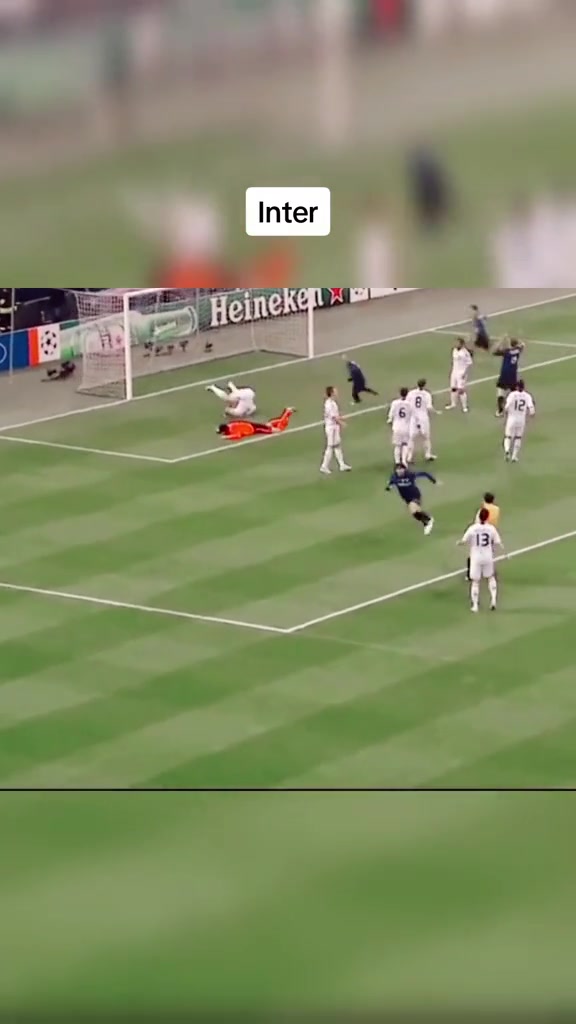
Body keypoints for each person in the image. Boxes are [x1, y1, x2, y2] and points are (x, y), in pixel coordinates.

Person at [458, 507, 504, 613]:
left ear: (479, 517)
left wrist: (459, 543)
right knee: (490, 578)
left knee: (475, 582)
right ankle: (493, 600)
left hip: (476, 557)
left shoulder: (473, 528)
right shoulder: (491, 528)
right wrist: (504, 552)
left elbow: (464, 540)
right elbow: (498, 542)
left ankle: (475, 606)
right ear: (487, 517)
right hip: (488, 556)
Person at [385, 463, 436, 535]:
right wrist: (389, 487)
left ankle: (428, 519)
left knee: (413, 508)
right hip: (406, 498)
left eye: (401, 469)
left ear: (404, 469)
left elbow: (424, 473)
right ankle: (426, 523)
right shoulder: (394, 476)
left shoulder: (410, 475)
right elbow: (391, 482)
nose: (400, 471)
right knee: (415, 513)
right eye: (398, 469)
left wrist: (433, 481)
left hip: (415, 495)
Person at [465, 493, 501, 581]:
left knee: (473, 554)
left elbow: (478, 521)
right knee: (489, 553)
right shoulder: (497, 509)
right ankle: (489, 571)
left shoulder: (483, 509)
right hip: (491, 533)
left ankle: (470, 574)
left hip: (480, 533)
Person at [406, 378, 440, 463]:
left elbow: (407, 405)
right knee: (426, 437)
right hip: (423, 417)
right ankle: (428, 455)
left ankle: (409, 457)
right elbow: (429, 407)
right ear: (424, 385)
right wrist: (436, 412)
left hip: (413, 417)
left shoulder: (411, 393)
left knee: (411, 437)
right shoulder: (427, 394)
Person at [320, 386, 351, 475]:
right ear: (332, 393)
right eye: (335, 391)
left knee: (337, 446)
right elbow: (333, 417)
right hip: (331, 428)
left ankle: (342, 465)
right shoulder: (329, 404)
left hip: (334, 427)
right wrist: (342, 423)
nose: (337, 392)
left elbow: (335, 415)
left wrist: (341, 418)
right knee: (330, 447)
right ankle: (324, 466)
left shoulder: (332, 402)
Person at [504, 380, 535, 462]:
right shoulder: (527, 396)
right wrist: (531, 414)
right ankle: (514, 456)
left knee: (508, 436)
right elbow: (532, 409)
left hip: (512, 418)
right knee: (518, 437)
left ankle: (507, 451)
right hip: (521, 419)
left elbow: (506, 406)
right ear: (523, 387)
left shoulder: (512, 395)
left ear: (517, 387)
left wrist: (505, 412)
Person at [217, 407, 294, 440]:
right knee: (268, 425)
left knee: (278, 430)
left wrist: (227, 437)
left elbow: (238, 435)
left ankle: (287, 412)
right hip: (251, 425)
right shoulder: (230, 424)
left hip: (254, 429)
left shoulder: (232, 430)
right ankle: (285, 413)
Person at [494, 337, 524, 416]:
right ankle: (517, 408)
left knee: (501, 391)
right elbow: (522, 345)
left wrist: (501, 340)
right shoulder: (518, 351)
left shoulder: (506, 351)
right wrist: (518, 342)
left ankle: (500, 411)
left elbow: (495, 351)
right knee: (514, 392)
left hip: (504, 374)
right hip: (513, 375)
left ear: (510, 344)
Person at [445, 338, 473, 413]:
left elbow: (469, 363)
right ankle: (453, 404)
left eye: (457, 343)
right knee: (453, 388)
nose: (455, 344)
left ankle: (464, 407)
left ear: (461, 344)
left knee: (461, 390)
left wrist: (465, 373)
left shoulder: (465, 353)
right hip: (454, 372)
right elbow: (454, 361)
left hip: (461, 373)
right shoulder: (454, 350)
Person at [387, 386, 412, 465]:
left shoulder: (395, 403)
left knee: (397, 446)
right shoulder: (409, 404)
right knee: (405, 444)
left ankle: (397, 462)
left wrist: (390, 421)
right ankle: (404, 461)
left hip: (397, 427)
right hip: (406, 427)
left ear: (400, 393)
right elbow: (412, 415)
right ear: (407, 394)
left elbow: (391, 415)